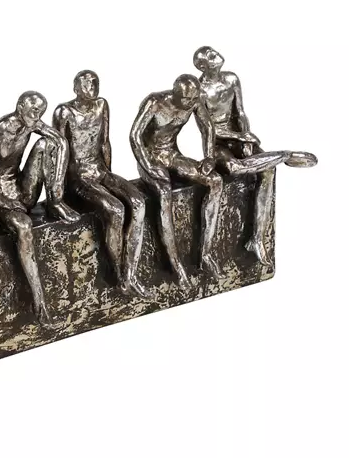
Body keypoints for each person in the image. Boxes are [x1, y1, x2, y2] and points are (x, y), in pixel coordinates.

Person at [193, 46, 317, 265]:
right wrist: (238, 136)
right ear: (202, 66)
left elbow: (240, 112)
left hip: (239, 137)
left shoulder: (231, 79)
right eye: (210, 56)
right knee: (234, 168)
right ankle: (285, 155)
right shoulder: (199, 92)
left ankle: (257, 239)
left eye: (213, 51)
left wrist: (246, 137)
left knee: (267, 172)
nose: (216, 55)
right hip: (217, 144)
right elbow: (209, 131)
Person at [0, 91, 80, 327]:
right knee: (24, 226)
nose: (37, 116)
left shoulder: (31, 123)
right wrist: (2, 201)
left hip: (22, 190)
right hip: (0, 198)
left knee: (47, 144)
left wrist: (57, 189)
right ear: (20, 107)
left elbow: (60, 141)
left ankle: (56, 202)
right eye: (34, 110)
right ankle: (39, 304)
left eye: (41, 112)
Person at [53, 70, 149, 298]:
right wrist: (58, 194)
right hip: (79, 177)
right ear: (76, 88)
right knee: (116, 210)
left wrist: (110, 178)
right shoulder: (64, 112)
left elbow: (105, 142)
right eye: (87, 84)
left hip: (100, 170)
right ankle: (118, 275)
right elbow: (58, 152)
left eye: (95, 83)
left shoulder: (101, 105)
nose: (92, 87)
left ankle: (131, 274)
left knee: (138, 202)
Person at [130, 74, 223, 288]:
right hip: (150, 158)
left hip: (171, 154)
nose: (190, 103)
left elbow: (207, 127)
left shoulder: (194, 101)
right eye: (186, 99)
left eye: (193, 99)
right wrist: (147, 165)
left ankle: (206, 254)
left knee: (215, 181)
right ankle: (176, 265)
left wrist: (209, 156)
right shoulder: (155, 102)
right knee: (164, 194)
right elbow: (134, 136)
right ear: (175, 94)